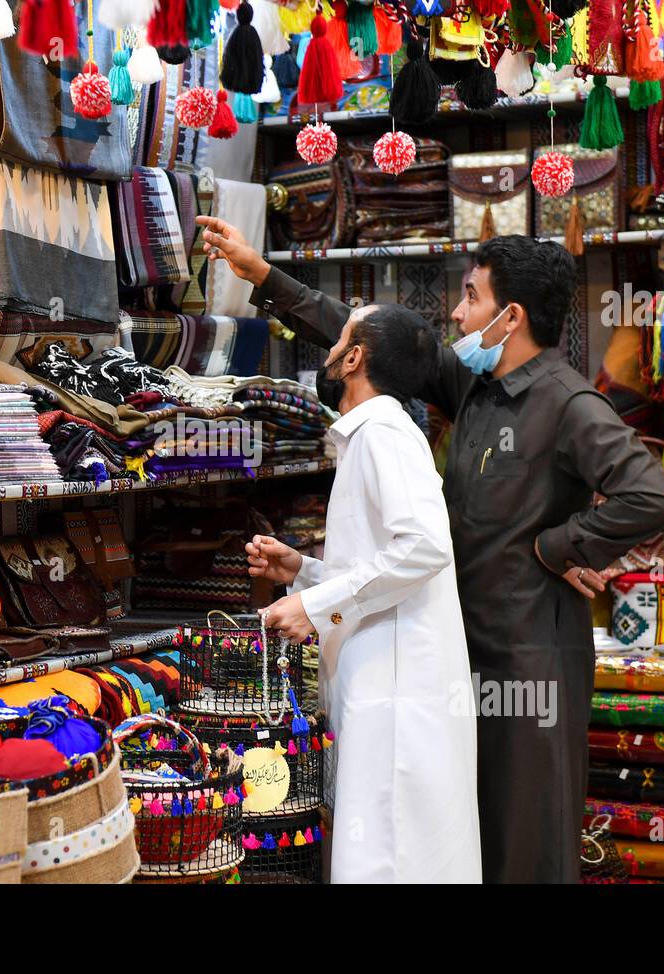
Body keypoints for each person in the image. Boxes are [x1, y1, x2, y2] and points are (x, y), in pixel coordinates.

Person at [202, 215, 664, 883]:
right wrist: (264, 277)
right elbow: (376, 341)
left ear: (509, 316)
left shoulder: (569, 403)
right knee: (460, 834)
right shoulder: (475, 387)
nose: (456, 313)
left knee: (525, 838)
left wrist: (557, 546)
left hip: (528, 660)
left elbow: (651, 497)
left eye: (471, 297)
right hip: (459, 651)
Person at [246, 302, 481, 884]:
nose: (330, 346)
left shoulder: (384, 434)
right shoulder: (374, 435)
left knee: (388, 854)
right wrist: (302, 571)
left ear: (353, 358)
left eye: (343, 335)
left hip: (396, 694)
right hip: (384, 682)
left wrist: (315, 606)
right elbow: (381, 569)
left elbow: (425, 549)